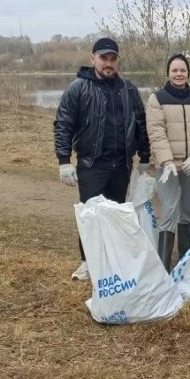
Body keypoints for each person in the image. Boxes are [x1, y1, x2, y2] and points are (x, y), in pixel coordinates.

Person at [54, 37, 151, 281]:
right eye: (103, 58)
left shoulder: (128, 89)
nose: (108, 63)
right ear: (93, 59)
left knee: (116, 214)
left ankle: (112, 259)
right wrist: (64, 160)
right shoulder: (78, 88)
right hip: (92, 164)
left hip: (121, 164)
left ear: (117, 61)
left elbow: (140, 123)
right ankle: (87, 261)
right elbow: (63, 124)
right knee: (91, 215)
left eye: (112, 59)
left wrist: (145, 156)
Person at [146, 53, 190, 271]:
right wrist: (165, 161)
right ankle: (164, 267)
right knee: (169, 211)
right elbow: (156, 132)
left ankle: (184, 264)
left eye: (182, 70)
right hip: (168, 167)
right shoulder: (157, 99)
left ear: (188, 73)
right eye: (174, 70)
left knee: (187, 211)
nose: (178, 74)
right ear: (168, 73)